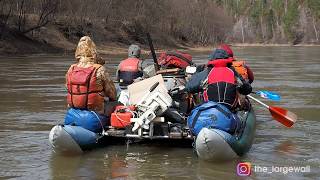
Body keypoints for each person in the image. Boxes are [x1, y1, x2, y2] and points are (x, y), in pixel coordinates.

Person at [185, 48, 252, 111]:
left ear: (211, 60)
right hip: (230, 110)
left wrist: (199, 83)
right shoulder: (233, 72)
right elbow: (247, 89)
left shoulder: (206, 72)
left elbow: (189, 87)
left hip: (210, 109)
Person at [66, 36, 117, 117]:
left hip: (73, 114)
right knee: (117, 103)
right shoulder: (99, 69)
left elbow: (69, 89)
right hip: (95, 114)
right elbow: (112, 94)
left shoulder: (71, 69)